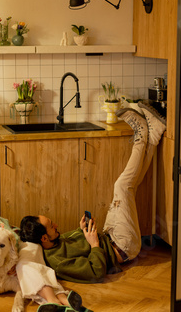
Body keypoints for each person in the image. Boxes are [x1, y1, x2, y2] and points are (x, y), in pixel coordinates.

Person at [20, 102, 167, 283]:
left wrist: (82, 230)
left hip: (109, 233)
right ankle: (141, 135)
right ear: (44, 238)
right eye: (51, 225)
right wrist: (94, 244)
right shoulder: (57, 262)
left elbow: (77, 246)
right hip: (122, 246)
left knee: (129, 187)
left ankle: (153, 136)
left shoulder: (53, 242)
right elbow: (95, 272)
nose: (56, 224)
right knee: (122, 186)